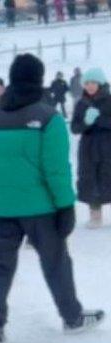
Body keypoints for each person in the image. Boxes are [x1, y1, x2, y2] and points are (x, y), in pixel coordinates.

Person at [0, 54, 105, 343]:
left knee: (0, 267)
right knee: (56, 263)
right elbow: (56, 169)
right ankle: (72, 317)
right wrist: (66, 206)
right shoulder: (48, 118)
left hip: (2, 208)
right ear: (38, 79)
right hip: (42, 209)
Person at [70, 68, 111, 229]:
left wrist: (98, 119)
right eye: (87, 83)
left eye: (93, 82)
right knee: (90, 179)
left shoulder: (109, 100)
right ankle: (95, 216)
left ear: (100, 83)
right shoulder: (81, 103)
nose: (90, 86)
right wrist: (86, 122)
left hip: (107, 147)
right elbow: (74, 128)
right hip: (88, 149)